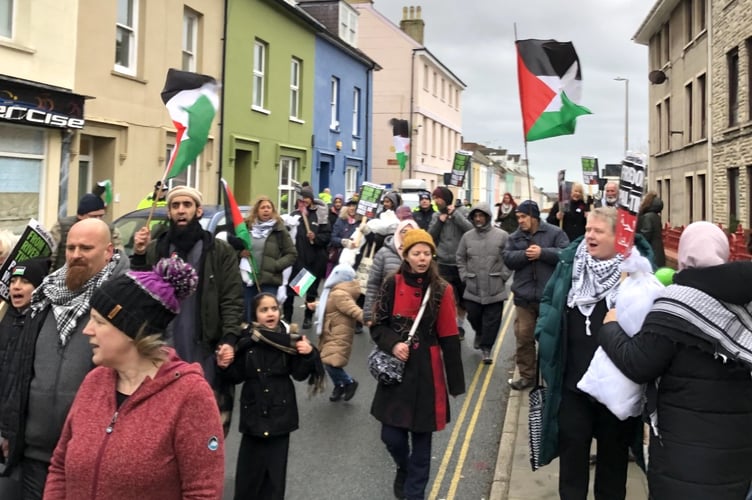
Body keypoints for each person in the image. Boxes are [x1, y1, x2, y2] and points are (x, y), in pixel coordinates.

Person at [43, 257, 225, 499]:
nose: (87, 330)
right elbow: (60, 467)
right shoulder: (94, 381)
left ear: (131, 329)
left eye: (98, 321)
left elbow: (203, 492)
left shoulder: (190, 395)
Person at [598, 221, 752, 500]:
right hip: (738, 452)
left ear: (683, 255)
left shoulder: (674, 305)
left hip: (681, 453)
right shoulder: (746, 302)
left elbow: (638, 363)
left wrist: (610, 328)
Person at [0, 219, 129, 499]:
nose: (76, 254)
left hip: (90, 454)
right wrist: (9, 430)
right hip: (34, 453)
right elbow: (18, 370)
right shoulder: (44, 295)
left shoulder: (125, 301)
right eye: (71, 247)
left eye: (86, 247)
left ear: (108, 252)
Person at [534, 207, 652, 500]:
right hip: (572, 386)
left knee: (613, 467)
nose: (589, 236)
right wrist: (544, 335)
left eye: (598, 231)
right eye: (588, 229)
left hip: (616, 393)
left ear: (618, 237)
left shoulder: (636, 275)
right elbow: (548, 302)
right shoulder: (570, 265)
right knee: (572, 462)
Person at [131, 185, 243, 434]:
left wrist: (229, 339)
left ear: (198, 210)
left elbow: (232, 299)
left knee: (205, 426)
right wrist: (139, 255)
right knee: (162, 427)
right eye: (175, 205)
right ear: (169, 212)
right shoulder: (156, 249)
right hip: (162, 351)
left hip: (204, 350)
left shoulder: (219, 250)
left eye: (187, 205)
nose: (181, 210)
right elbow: (137, 292)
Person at [370, 229, 465, 500]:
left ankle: (415, 494)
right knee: (391, 437)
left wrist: (455, 383)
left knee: (422, 441)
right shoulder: (392, 283)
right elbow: (377, 326)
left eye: (426, 253)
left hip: (428, 372)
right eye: (416, 253)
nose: (422, 258)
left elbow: (449, 337)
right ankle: (404, 467)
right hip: (396, 373)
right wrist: (393, 344)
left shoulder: (442, 290)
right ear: (406, 255)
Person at [220, 293, 324, 500]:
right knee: (248, 476)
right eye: (264, 310)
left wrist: (308, 354)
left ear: (280, 311)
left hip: (280, 416)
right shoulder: (246, 342)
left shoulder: (289, 340)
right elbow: (236, 376)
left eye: (274, 309)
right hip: (253, 416)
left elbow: (300, 374)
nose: (270, 313)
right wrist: (224, 365)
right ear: (255, 315)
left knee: (274, 479)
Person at [502, 200, 569, 390]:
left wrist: (543, 253)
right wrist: (525, 254)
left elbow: (566, 254)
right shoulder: (515, 238)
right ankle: (527, 376)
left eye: (523, 217)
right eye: (518, 217)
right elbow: (507, 258)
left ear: (534, 217)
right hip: (524, 298)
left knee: (550, 340)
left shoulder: (555, 233)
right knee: (524, 338)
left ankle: (552, 376)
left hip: (549, 298)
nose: (520, 221)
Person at [0, 258, 48, 498]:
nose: (16, 287)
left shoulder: (41, 323)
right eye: (13, 281)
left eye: (25, 281)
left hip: (21, 435)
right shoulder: (5, 319)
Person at [456, 202, 512, 364]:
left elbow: (509, 257)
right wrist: (464, 275)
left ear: (488, 217)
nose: (478, 219)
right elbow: (460, 257)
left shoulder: (502, 235)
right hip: (473, 286)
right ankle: (479, 333)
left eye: (481, 216)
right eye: (476, 216)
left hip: (495, 286)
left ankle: (486, 348)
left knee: (492, 321)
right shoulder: (467, 237)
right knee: (473, 315)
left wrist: (504, 276)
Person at [240, 196, 298, 322]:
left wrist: (275, 266)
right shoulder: (247, 228)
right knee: (249, 317)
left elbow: (291, 254)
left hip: (269, 281)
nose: (266, 210)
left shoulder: (279, 229)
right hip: (249, 281)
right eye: (262, 207)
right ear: (257, 210)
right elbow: (234, 248)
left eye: (268, 207)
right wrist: (240, 253)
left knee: (267, 317)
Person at [283, 186, 331, 329]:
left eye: (307, 198)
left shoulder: (320, 215)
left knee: (310, 291)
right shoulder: (295, 214)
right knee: (291, 291)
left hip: (314, 259)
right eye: (302, 199)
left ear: (311, 199)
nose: (304, 201)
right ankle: (286, 318)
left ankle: (308, 317)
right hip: (298, 259)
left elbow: (327, 236)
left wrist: (315, 237)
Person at [428, 186, 472, 339]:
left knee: (462, 299)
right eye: (434, 198)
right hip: (442, 263)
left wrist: (455, 215)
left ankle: (460, 326)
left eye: (437, 198)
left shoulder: (462, 212)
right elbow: (430, 236)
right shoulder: (436, 216)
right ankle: (450, 326)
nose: (435, 201)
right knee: (447, 297)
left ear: (445, 198)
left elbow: (470, 230)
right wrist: (440, 222)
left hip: (460, 263)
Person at [316, 263, 362, 402]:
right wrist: (317, 305)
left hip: (338, 332)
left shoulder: (339, 294)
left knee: (330, 362)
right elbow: (330, 306)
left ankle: (348, 382)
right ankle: (339, 385)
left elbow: (353, 310)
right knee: (328, 361)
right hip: (331, 331)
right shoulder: (335, 291)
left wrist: (369, 319)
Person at [363, 219, 420, 327]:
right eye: (404, 231)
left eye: (411, 232)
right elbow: (373, 285)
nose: (407, 235)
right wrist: (369, 314)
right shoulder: (384, 253)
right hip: (386, 309)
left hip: (411, 312)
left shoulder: (421, 256)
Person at [49, 193, 124, 271]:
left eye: (101, 216)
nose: (98, 220)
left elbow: (119, 258)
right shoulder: (62, 227)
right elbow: (50, 256)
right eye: (93, 216)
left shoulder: (110, 230)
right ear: (80, 216)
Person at [329, 197, 361, 276]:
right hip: (340, 258)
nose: (352, 208)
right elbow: (333, 238)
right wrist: (344, 242)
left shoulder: (361, 222)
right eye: (349, 206)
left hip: (355, 258)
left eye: (354, 206)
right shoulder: (341, 220)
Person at [636, 191, 666, 267]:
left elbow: (645, 235)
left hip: (650, 253)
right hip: (657, 252)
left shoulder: (647, 217)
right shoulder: (655, 216)